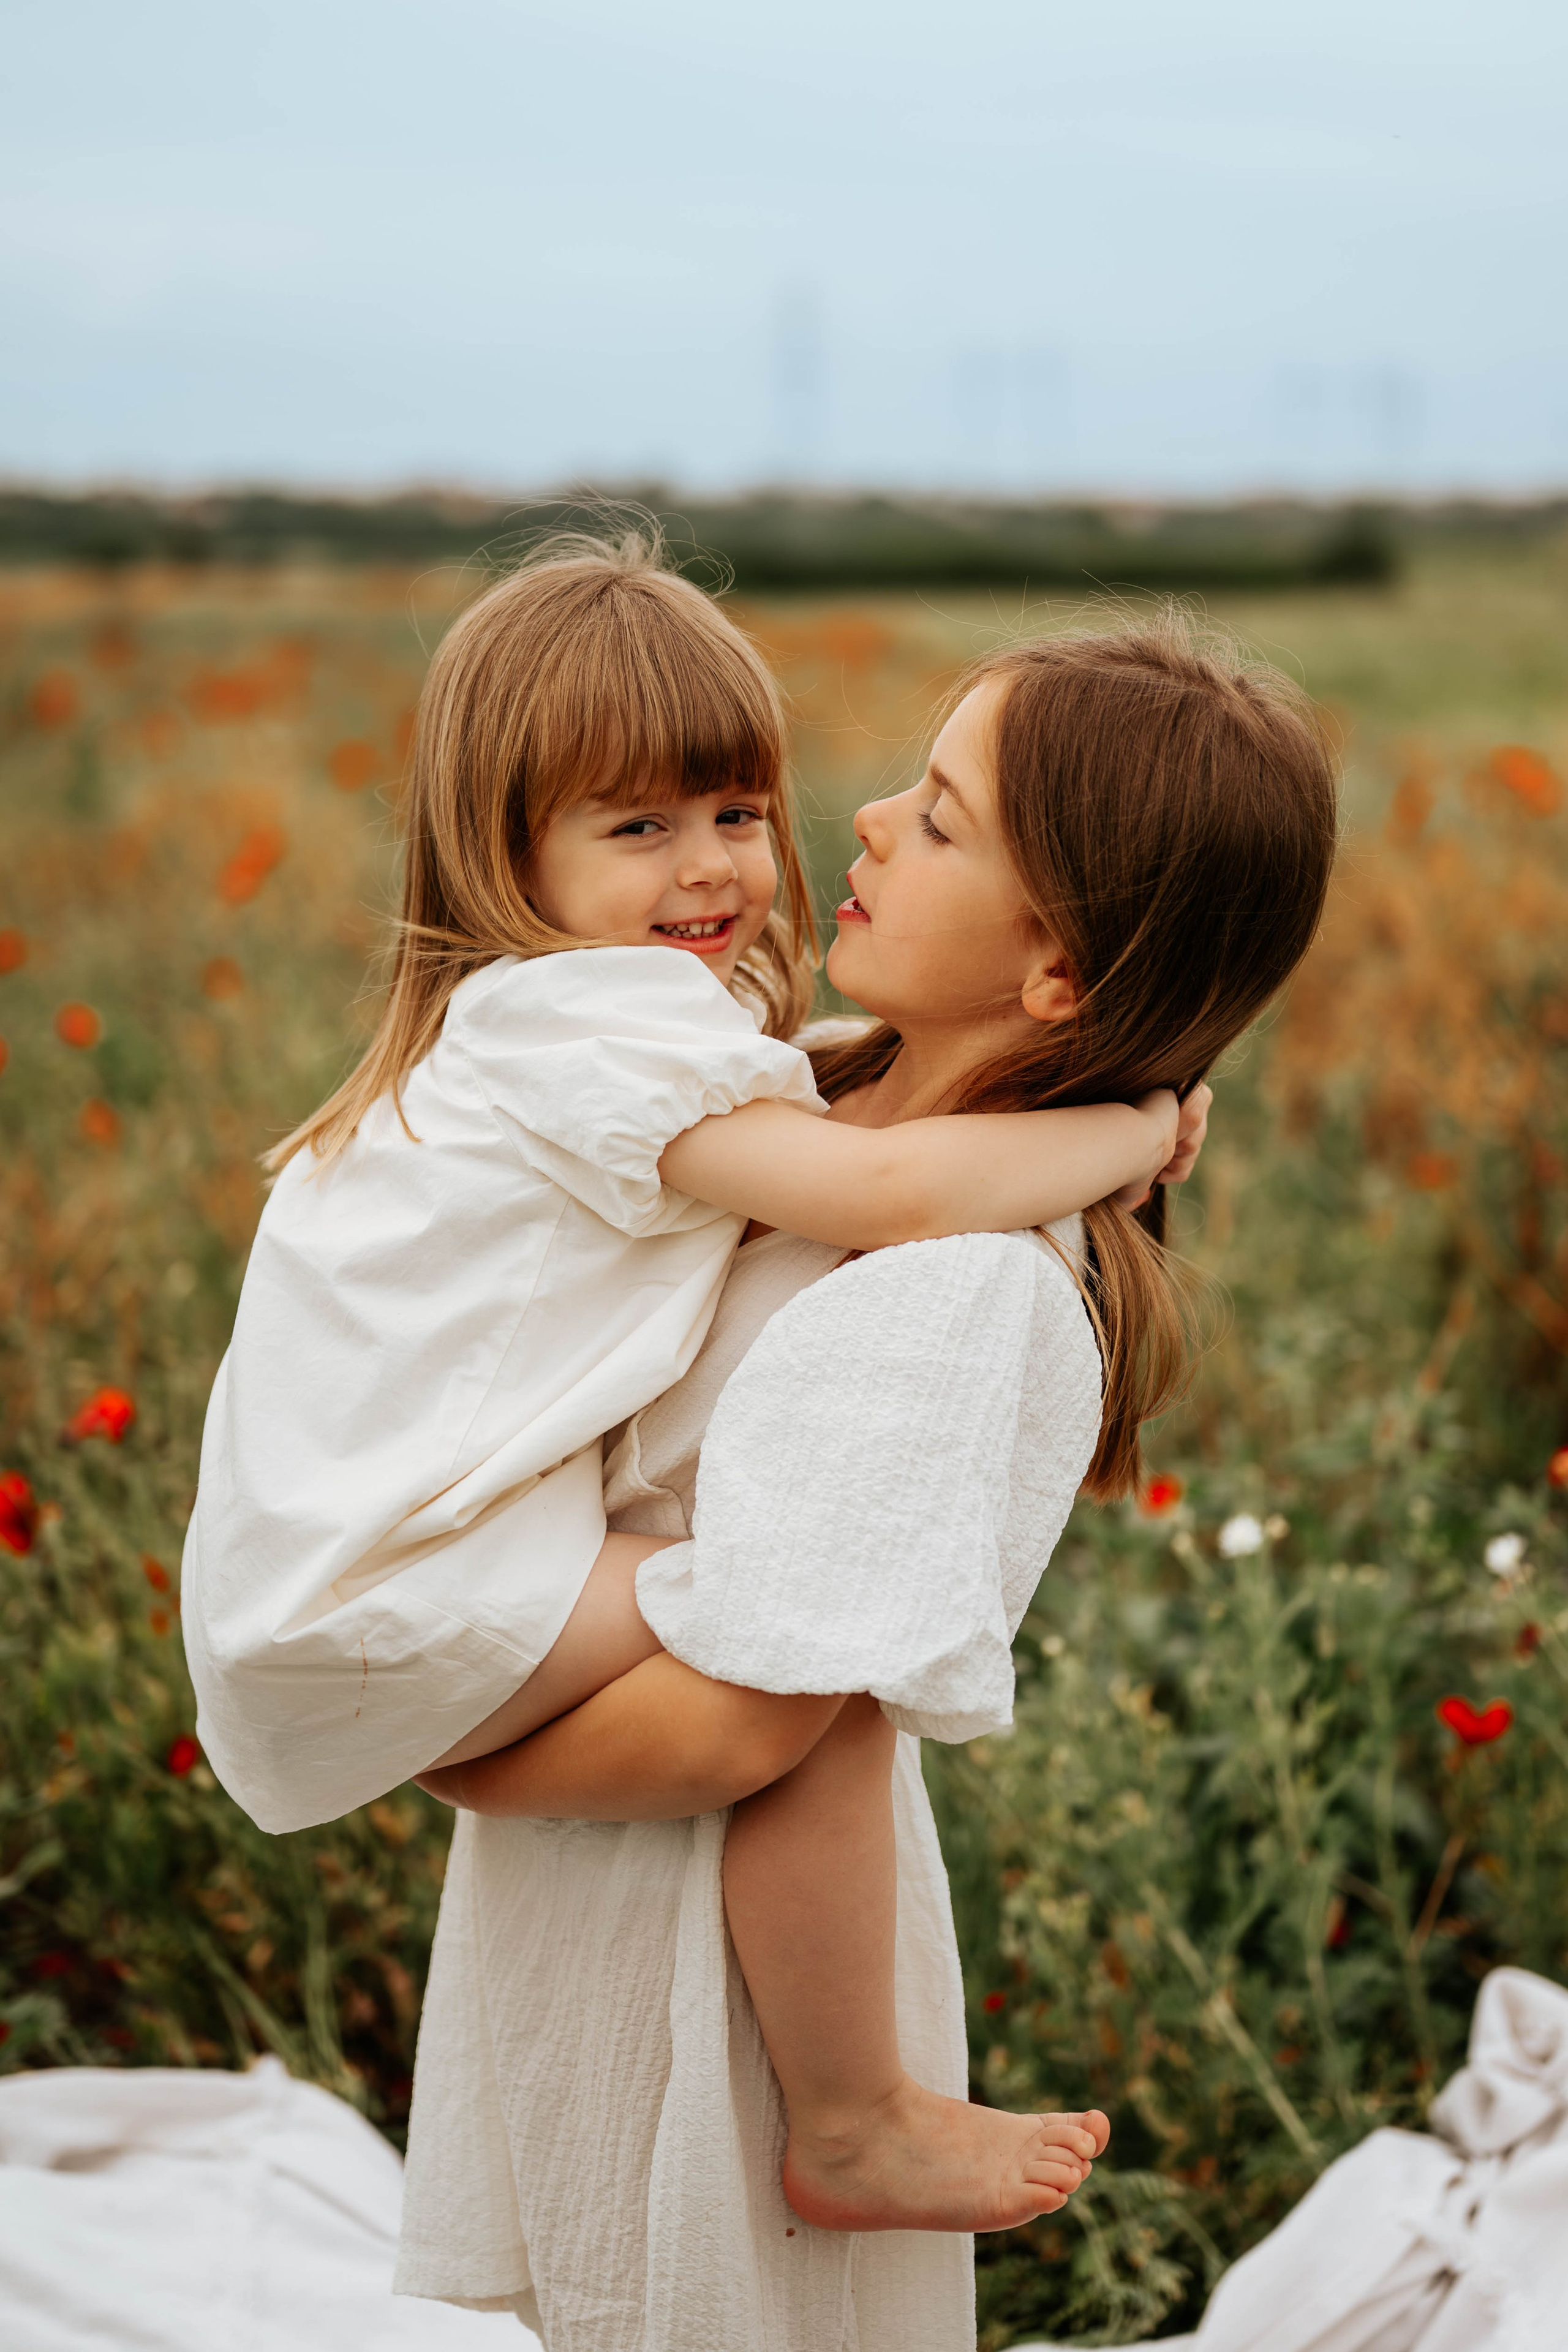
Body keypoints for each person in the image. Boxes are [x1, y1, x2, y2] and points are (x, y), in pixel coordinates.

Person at [181, 539, 1187, 2225]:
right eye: (636, 828)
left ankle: (845, 2102)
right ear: (508, 851)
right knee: (821, 1646)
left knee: (808, 1634)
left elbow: (816, 1117)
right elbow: (868, 1187)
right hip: (392, 1576)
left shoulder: (586, 1019)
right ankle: (852, 2115)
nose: (712, 867)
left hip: (339, 1567)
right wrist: (1137, 1127)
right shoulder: (596, 1020)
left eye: (733, 808)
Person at [399, 613, 1338, 2349]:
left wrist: (446, 1744)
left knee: (702, 2305)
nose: (866, 823)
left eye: (946, 816)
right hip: (592, 1836)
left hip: (720, 1925)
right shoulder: (813, 1092)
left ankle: (857, 2130)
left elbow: (770, 1721)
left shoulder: (963, 1283)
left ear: (1057, 970)